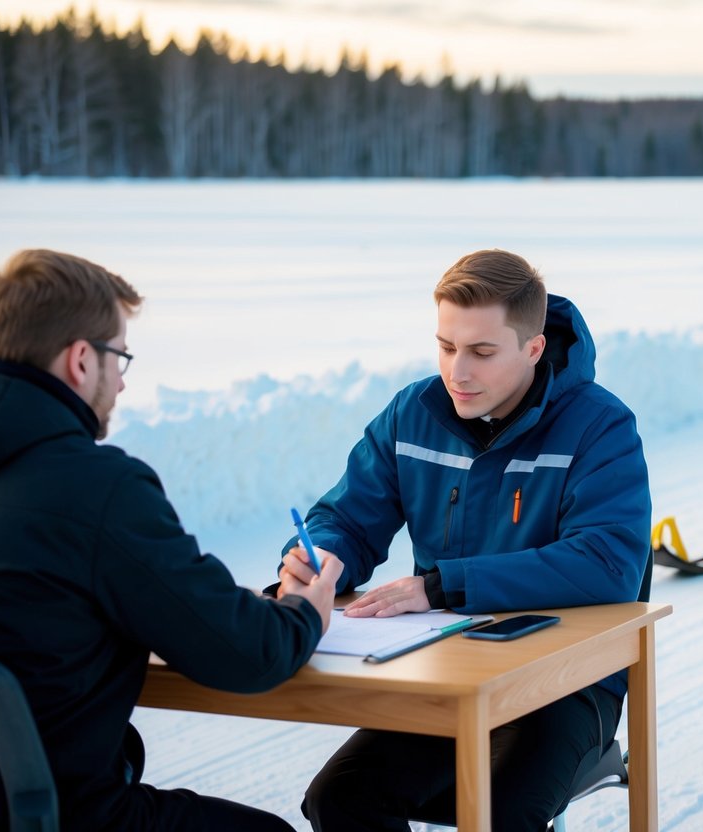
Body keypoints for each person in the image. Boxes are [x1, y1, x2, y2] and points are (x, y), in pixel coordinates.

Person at [279, 249, 652, 831]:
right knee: (340, 800)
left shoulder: (599, 425)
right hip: (446, 670)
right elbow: (348, 518)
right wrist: (317, 557)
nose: (458, 371)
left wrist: (443, 586)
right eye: (446, 346)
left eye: (481, 352)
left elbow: (608, 564)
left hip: (566, 685)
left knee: (500, 814)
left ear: (533, 349)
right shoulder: (414, 412)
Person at [0, 249, 344, 831]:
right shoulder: (95, 488)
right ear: (81, 360)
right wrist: (305, 614)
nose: (124, 382)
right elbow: (248, 653)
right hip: (67, 813)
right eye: (119, 356)